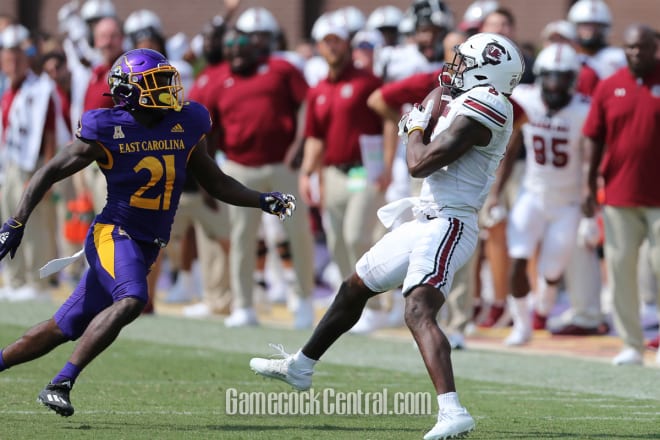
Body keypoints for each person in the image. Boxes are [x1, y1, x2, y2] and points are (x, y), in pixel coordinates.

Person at [250, 32, 525, 439]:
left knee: (417, 309)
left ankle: (452, 411)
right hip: (426, 219)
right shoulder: (467, 98)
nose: (455, 69)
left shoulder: (490, 104)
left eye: (464, 63)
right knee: (354, 286)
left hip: (450, 223)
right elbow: (438, 90)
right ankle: (301, 366)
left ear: (488, 70)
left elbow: (420, 164)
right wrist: (431, 101)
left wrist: (414, 128)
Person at [0, 48, 296, 416]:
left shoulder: (187, 121)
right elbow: (49, 171)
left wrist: (261, 200)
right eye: (157, 82)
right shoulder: (106, 127)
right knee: (132, 298)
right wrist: (17, 220)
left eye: (168, 79)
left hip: (147, 243)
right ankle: (61, 382)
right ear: (129, 89)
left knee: (62, 326)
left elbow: (215, 181)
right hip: (113, 232)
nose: (170, 88)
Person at [490, 43, 592, 345]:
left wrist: (590, 210)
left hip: (568, 202)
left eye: (562, 78)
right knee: (518, 257)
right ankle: (522, 325)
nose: (554, 85)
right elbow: (511, 150)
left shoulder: (583, 109)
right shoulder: (526, 100)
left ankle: (543, 307)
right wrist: (495, 194)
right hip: (532, 193)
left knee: (551, 270)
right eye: (549, 77)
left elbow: (589, 161)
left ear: (572, 79)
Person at [582, 24, 660, 366]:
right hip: (618, 194)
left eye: (643, 47)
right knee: (620, 268)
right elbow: (594, 139)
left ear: (655, 48)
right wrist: (588, 185)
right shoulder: (609, 86)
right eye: (630, 47)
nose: (636, 53)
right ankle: (632, 343)